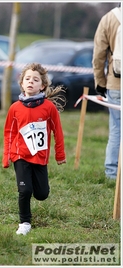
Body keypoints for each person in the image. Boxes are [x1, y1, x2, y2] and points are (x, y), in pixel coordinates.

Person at [3, 63, 67, 236]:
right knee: (25, 190)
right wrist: (6, 157)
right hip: (20, 155)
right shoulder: (15, 108)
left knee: (42, 194)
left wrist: (60, 154)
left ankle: (36, 190)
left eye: (35, 79)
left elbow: (57, 132)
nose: (31, 82)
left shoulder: (49, 108)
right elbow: (9, 133)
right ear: (22, 83)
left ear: (43, 85)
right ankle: (24, 222)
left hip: (40, 157)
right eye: (27, 79)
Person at [92, 5, 121, 180]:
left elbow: (98, 56)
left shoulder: (109, 19)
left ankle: (112, 174)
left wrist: (100, 82)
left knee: (117, 129)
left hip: (116, 83)